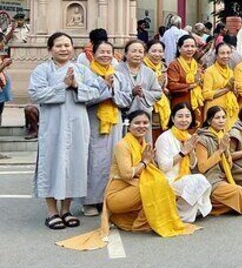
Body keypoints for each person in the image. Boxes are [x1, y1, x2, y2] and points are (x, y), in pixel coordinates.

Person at [29, 32, 101, 230]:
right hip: (53, 124)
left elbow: (96, 91)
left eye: (67, 45)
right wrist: (63, 85)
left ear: (73, 48)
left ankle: (66, 209)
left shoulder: (82, 70)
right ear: (50, 49)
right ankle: (51, 211)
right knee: (52, 162)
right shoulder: (42, 70)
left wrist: (77, 85)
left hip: (78, 122)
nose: (63, 49)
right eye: (59, 46)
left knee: (74, 163)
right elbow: (36, 94)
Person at [101, 111, 199, 237]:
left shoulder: (145, 145)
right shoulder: (122, 145)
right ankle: (141, 223)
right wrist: (144, 162)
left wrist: (188, 151)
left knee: (160, 183)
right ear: (128, 126)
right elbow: (126, 175)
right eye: (137, 123)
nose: (141, 126)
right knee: (152, 185)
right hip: (117, 195)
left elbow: (155, 170)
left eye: (145, 123)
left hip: (133, 189)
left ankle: (130, 219)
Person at [194, 106, 242, 215]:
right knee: (238, 192)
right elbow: (202, 168)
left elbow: (228, 166)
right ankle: (210, 203)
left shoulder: (223, 136)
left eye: (223, 117)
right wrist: (220, 150)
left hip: (224, 177)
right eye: (217, 118)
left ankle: (217, 204)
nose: (221, 121)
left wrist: (227, 153)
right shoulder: (202, 139)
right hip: (210, 179)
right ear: (209, 120)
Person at [84, 41, 131, 217]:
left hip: (115, 122)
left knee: (113, 160)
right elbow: (84, 98)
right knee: (93, 160)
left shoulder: (118, 75)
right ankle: (89, 201)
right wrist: (105, 87)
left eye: (108, 52)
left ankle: (108, 198)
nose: (105, 55)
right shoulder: (87, 74)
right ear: (93, 53)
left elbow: (126, 98)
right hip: (94, 121)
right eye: (101, 51)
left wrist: (112, 93)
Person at [154, 103, 213, 222]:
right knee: (199, 180)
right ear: (172, 118)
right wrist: (183, 152)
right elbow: (164, 167)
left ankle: (182, 214)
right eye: (180, 116)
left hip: (184, 177)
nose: (184, 120)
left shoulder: (188, 136)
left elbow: (192, 164)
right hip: (168, 179)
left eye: (187, 116)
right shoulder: (164, 138)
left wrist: (190, 152)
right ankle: (178, 214)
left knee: (199, 182)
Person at [115, 40, 163, 140]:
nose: (137, 54)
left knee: (144, 145)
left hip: (144, 116)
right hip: (124, 115)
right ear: (126, 53)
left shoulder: (149, 72)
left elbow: (158, 93)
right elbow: (114, 94)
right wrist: (131, 93)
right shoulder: (117, 70)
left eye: (140, 52)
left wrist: (143, 93)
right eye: (134, 51)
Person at [201, 42, 240, 133]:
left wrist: (234, 90)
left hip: (229, 109)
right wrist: (226, 89)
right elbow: (206, 94)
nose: (225, 56)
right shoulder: (210, 71)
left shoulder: (230, 72)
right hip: (215, 110)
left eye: (228, 53)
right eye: (222, 53)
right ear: (216, 55)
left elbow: (233, 91)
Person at [166, 35, 204, 123]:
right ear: (179, 48)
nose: (190, 49)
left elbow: (201, 83)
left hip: (197, 103)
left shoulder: (197, 65)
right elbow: (172, 85)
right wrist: (191, 85)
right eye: (186, 46)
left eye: (192, 46)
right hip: (181, 102)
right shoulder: (174, 65)